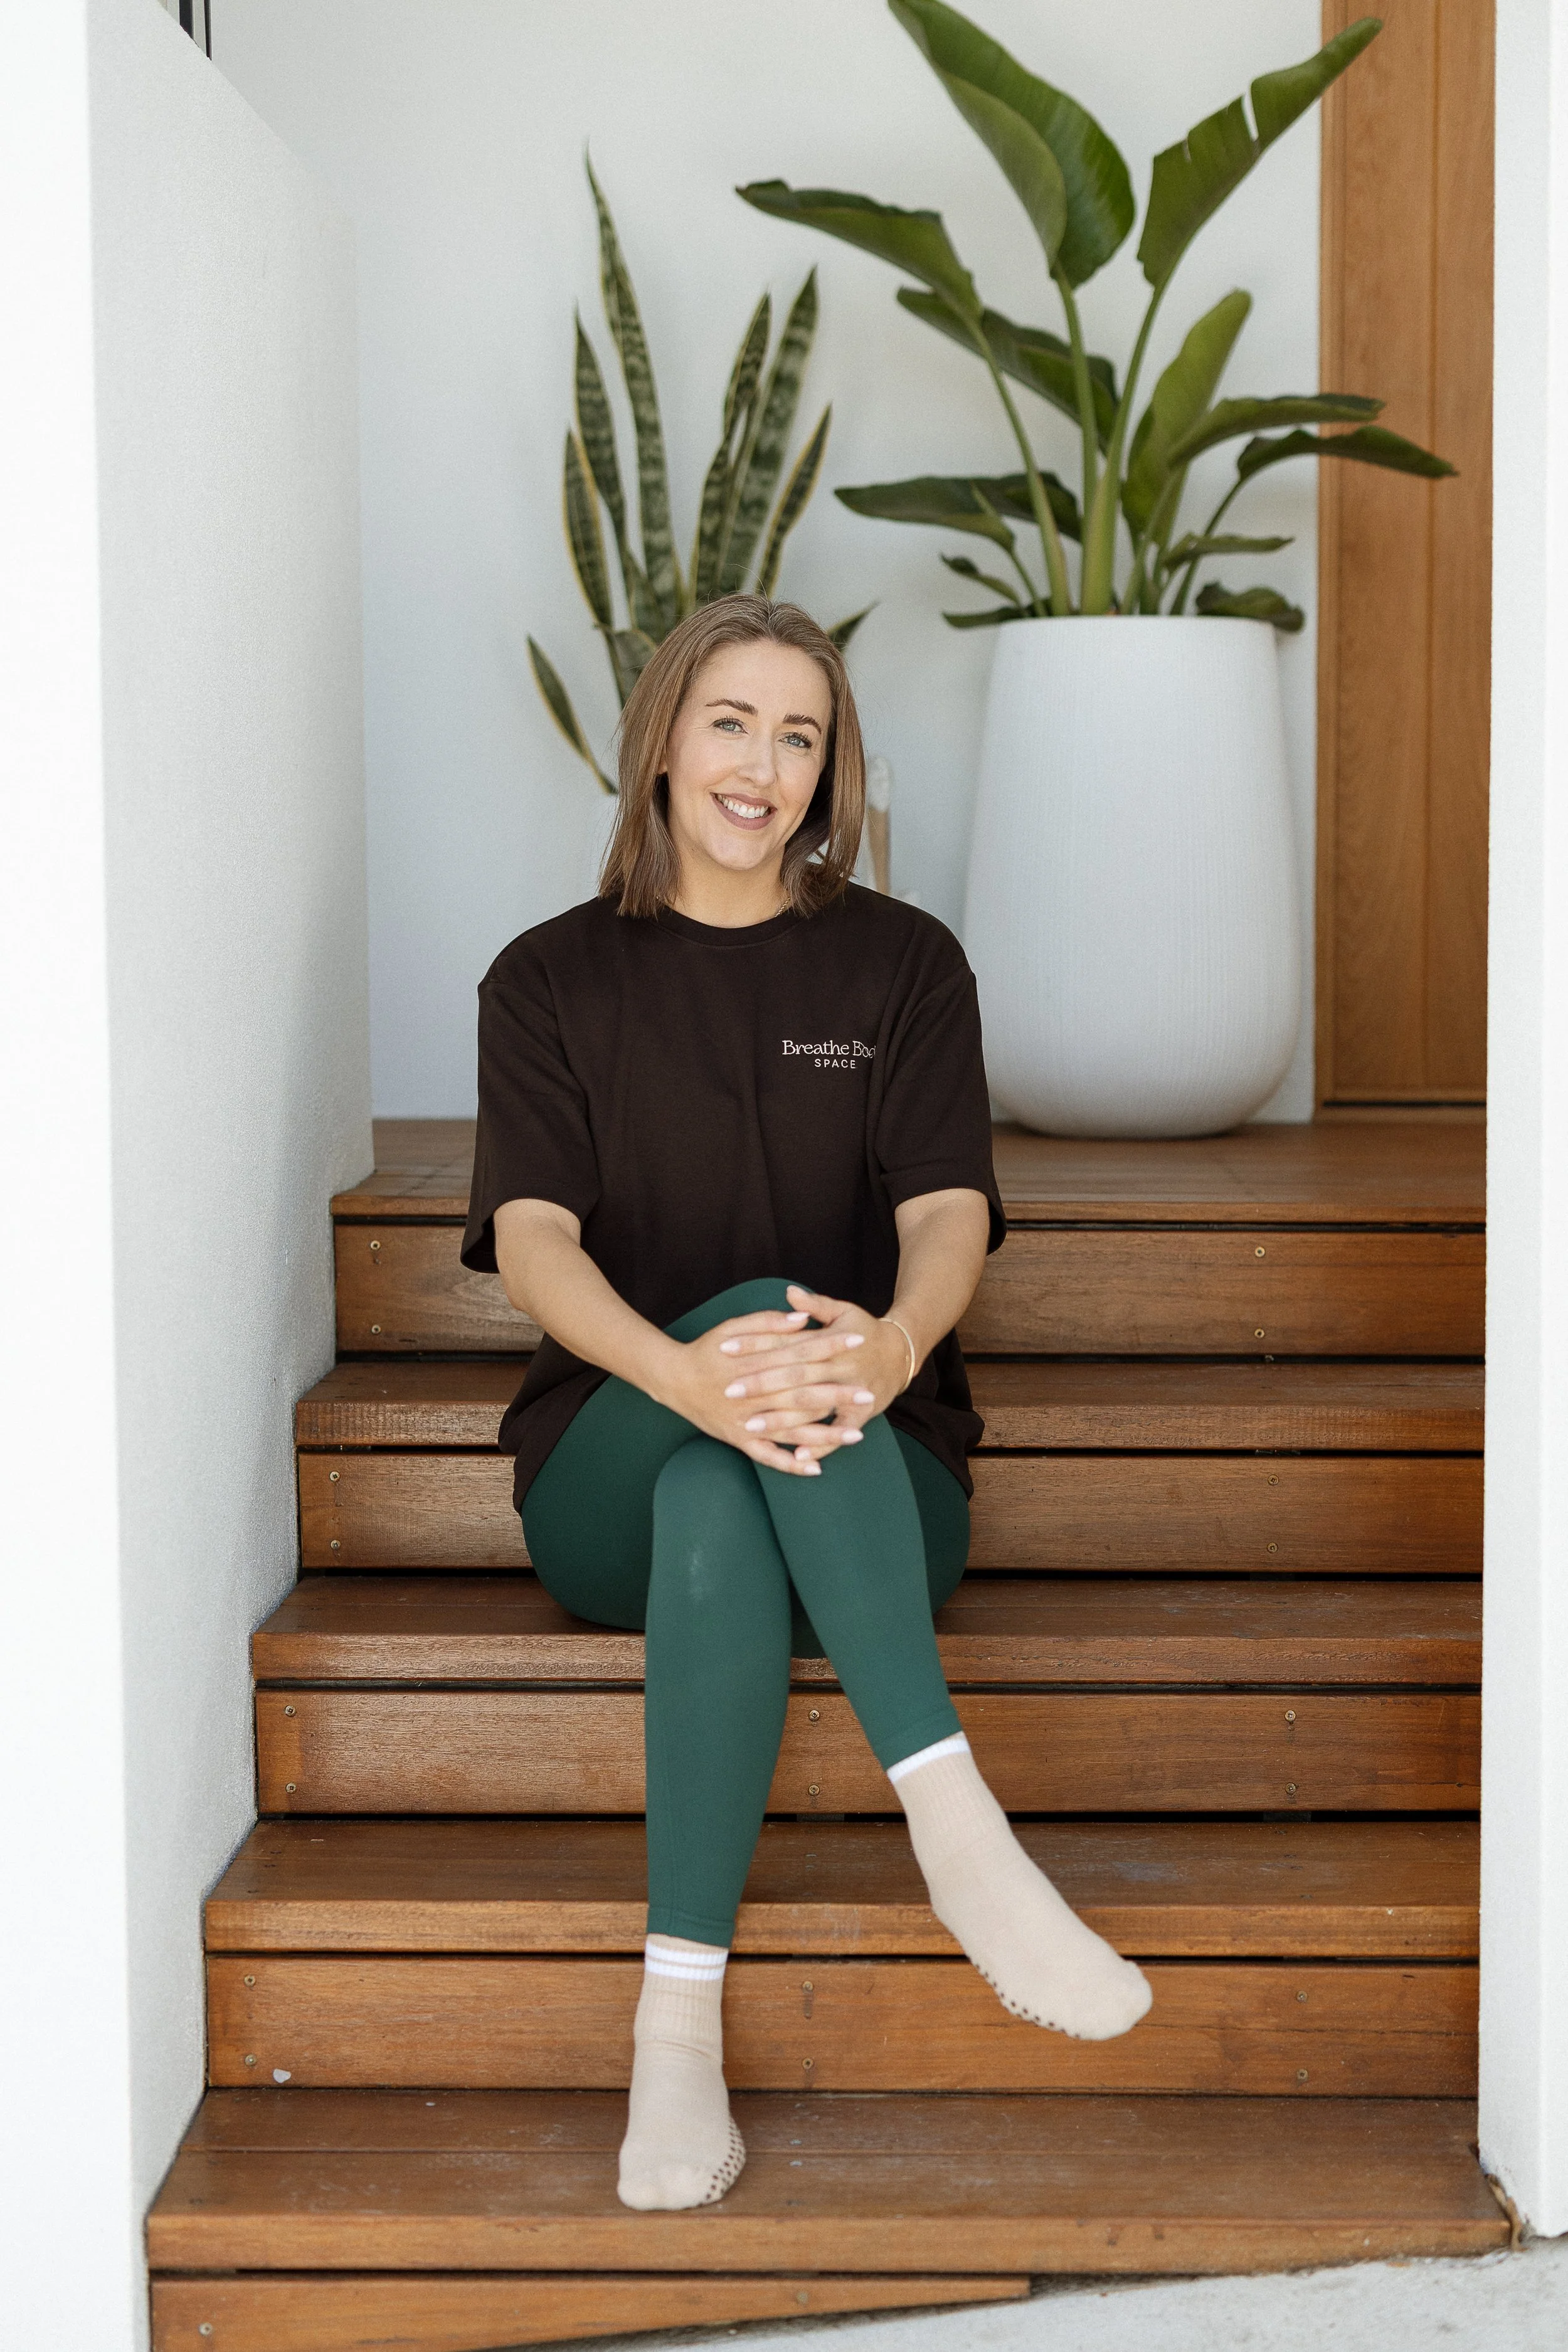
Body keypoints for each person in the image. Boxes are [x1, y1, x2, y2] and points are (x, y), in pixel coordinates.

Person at [461, 594, 1152, 2215]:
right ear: (660, 741)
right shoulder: (546, 979)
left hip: (870, 1461)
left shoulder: (900, 964)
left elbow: (944, 1214)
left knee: (733, 1481)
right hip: (603, 1462)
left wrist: (902, 1342)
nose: (759, 764)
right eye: (728, 721)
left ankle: (675, 2029)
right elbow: (536, 1241)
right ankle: (959, 1829)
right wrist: (683, 1368)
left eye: (798, 733)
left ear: (832, 769)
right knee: (727, 1381)